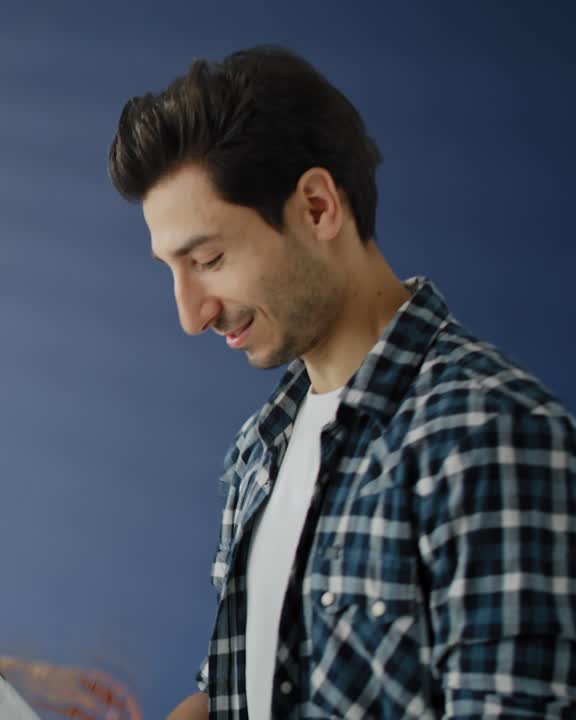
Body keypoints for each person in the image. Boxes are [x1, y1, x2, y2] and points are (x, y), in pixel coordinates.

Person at [108, 46, 576, 719]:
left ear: (319, 207)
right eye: (172, 269)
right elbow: (239, 695)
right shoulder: (257, 451)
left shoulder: (492, 439)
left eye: (208, 259)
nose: (191, 314)